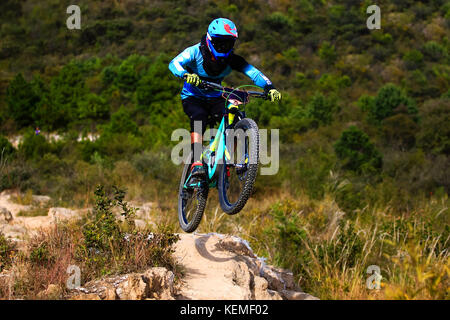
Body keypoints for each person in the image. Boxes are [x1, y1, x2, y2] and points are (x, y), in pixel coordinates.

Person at [169, 18, 281, 179]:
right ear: (209, 40)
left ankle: (226, 160)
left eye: (227, 43)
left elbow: (254, 74)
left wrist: (270, 88)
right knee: (199, 118)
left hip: (216, 97)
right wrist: (186, 74)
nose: (223, 47)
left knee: (235, 117)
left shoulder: (233, 60)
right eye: (219, 42)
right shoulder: (194, 52)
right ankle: (196, 162)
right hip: (193, 97)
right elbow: (174, 63)